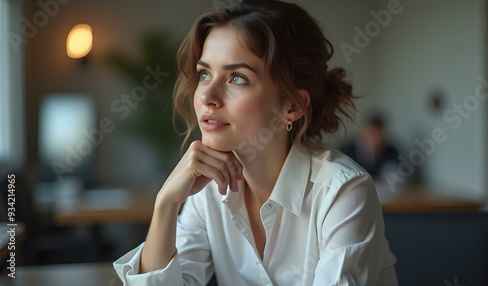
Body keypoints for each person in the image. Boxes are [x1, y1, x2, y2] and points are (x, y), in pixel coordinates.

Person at [113, 0, 398, 285]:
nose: (207, 96)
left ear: (293, 106)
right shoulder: (207, 192)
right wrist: (166, 203)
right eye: (204, 74)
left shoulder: (343, 192)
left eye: (237, 78)